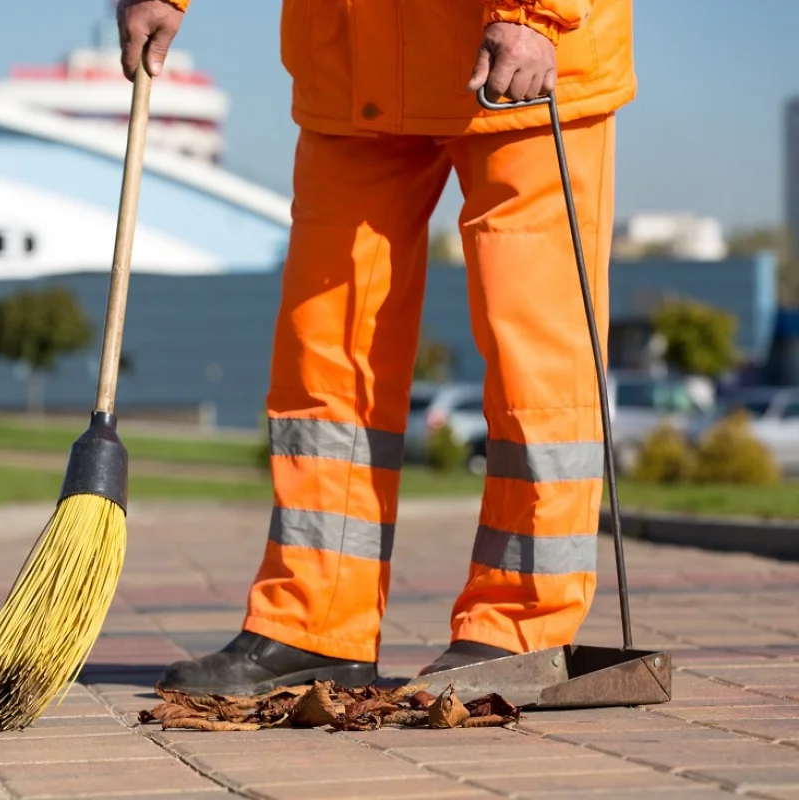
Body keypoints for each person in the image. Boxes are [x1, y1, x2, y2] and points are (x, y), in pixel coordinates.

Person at [115, 0, 635, 695]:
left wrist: (535, 12)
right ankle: (315, 622)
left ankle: (520, 625)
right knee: (325, 353)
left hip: (514, 50)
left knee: (534, 357)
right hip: (354, 56)